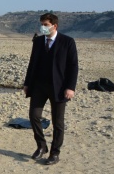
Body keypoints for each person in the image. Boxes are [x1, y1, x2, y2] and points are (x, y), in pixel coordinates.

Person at [23, 13, 78, 165]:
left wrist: (70, 87)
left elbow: (73, 66)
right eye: (42, 24)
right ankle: (41, 146)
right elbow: (32, 63)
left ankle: (55, 153)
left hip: (59, 88)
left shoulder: (67, 42)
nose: (43, 27)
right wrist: (27, 84)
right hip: (39, 86)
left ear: (55, 26)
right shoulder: (39, 41)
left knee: (58, 122)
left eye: (46, 25)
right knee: (34, 115)